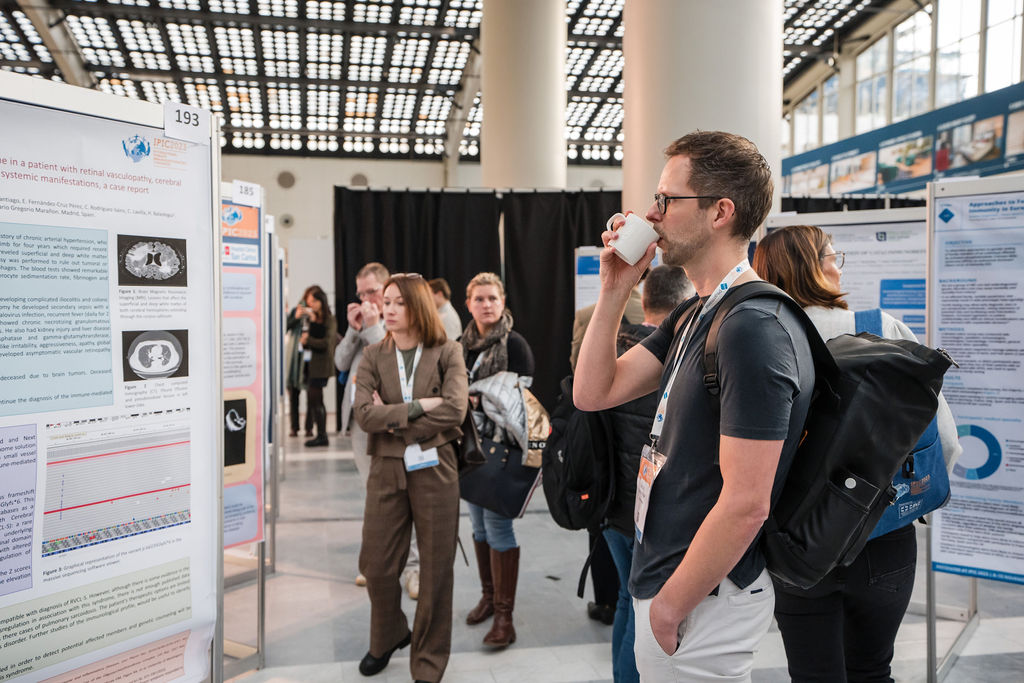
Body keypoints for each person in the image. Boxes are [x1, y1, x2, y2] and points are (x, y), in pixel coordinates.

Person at [575, 130, 815, 681]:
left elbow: (747, 502)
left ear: (720, 212)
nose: (652, 216)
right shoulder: (698, 314)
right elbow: (595, 392)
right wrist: (615, 288)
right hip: (674, 580)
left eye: (666, 200)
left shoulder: (751, 327)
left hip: (702, 599)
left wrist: (670, 606)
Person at [752, 224, 963, 683]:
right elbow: (943, 440)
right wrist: (910, 499)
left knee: (813, 675)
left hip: (794, 540)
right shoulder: (881, 329)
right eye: (832, 255)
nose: (837, 264)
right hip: (882, 533)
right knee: (872, 669)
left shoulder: (757, 340)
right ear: (814, 266)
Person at [352, 273, 468, 683]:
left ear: (417, 305)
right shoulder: (372, 355)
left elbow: (455, 410)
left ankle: (428, 662)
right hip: (386, 467)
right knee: (378, 566)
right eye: (386, 300)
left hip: (435, 467)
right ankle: (389, 635)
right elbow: (364, 416)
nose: (388, 308)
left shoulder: (447, 351)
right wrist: (419, 407)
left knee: (436, 570)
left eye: (398, 301)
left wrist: (393, 416)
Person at [602, 264, 692, 683]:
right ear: (686, 303)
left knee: (625, 597)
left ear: (643, 301)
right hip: (653, 515)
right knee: (648, 605)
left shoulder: (610, 352)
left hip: (608, 505)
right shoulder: (678, 360)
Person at [460, 271, 535, 648]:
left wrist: (478, 397)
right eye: (479, 299)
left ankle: (505, 618)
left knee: (497, 527)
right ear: (468, 303)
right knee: (477, 527)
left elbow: (520, 403)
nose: (486, 305)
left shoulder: (515, 344)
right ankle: (488, 598)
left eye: (492, 298)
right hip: (469, 448)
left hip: (504, 451)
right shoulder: (461, 345)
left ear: (503, 302)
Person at [336, 263, 420, 596]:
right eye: (361, 293)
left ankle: (413, 568)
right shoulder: (365, 326)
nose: (365, 298)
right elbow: (342, 363)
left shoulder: (403, 322)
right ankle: (377, 563)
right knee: (375, 497)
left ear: (387, 289)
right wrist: (354, 330)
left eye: (371, 291)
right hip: (360, 423)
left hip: (392, 422)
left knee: (403, 495)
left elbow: (393, 365)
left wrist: (372, 327)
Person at [299, 285, 337, 447]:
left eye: (314, 301)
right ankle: (319, 433)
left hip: (321, 367)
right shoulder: (313, 318)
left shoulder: (330, 319)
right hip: (310, 366)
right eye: (309, 301)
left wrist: (308, 340)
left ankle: (322, 435)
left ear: (321, 300)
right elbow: (309, 343)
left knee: (317, 400)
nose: (312, 304)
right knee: (313, 400)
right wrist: (305, 341)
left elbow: (326, 344)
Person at [285, 300, 313, 437]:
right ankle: (294, 427)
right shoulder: (294, 313)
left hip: (307, 359)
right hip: (293, 359)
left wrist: (311, 316)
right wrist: (295, 317)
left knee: (311, 395)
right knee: (293, 395)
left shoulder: (314, 315)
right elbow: (284, 328)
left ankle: (309, 428)